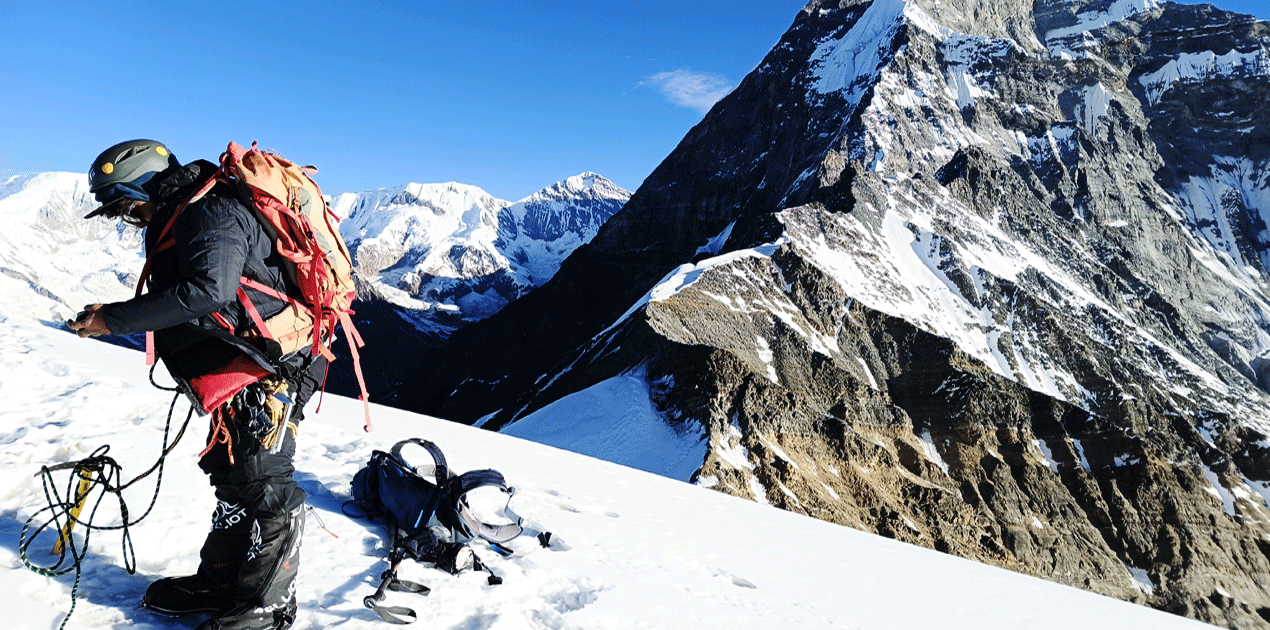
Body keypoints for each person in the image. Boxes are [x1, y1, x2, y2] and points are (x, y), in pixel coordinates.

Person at [70, 139, 326, 630]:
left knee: (264, 482)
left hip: (269, 367)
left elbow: (210, 291)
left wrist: (113, 320)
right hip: (238, 366)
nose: (130, 218)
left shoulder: (210, 212)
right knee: (233, 475)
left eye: (126, 206)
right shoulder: (185, 213)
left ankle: (267, 603)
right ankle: (221, 581)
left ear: (143, 185)